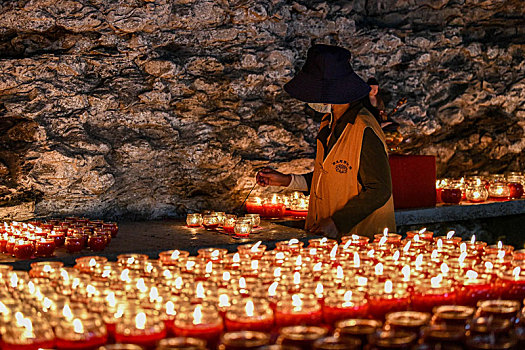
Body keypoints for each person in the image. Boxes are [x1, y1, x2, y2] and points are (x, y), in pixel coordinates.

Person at [255, 44, 395, 239]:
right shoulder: (328, 123)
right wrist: (286, 180)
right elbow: (329, 177)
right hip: (329, 238)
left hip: (362, 241)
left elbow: (379, 189)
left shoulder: (365, 129)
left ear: (331, 91)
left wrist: (337, 222)